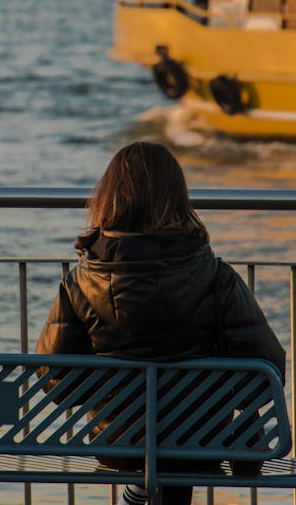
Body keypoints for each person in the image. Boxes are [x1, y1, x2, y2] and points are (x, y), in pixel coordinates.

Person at [36, 141, 286, 505]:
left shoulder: (79, 283)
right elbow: (267, 372)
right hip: (200, 441)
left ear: (108, 198)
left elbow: (54, 380)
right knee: (180, 447)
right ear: (179, 200)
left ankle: (138, 491)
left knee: (146, 454)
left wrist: (110, 386)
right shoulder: (217, 278)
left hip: (120, 444)